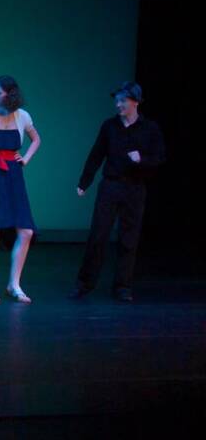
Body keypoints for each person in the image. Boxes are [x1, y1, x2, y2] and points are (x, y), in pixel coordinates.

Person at [70, 82, 165, 302]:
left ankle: (123, 286)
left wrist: (142, 160)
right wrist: (85, 182)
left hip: (135, 188)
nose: (118, 104)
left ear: (136, 102)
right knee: (98, 235)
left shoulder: (149, 128)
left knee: (128, 238)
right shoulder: (109, 126)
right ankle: (84, 284)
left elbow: (159, 158)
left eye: (123, 100)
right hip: (111, 186)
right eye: (117, 100)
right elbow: (97, 154)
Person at [0, 75, 41, 303]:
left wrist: (26, 159)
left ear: (9, 94)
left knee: (26, 231)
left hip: (14, 176)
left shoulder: (22, 116)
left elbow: (36, 139)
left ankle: (14, 284)